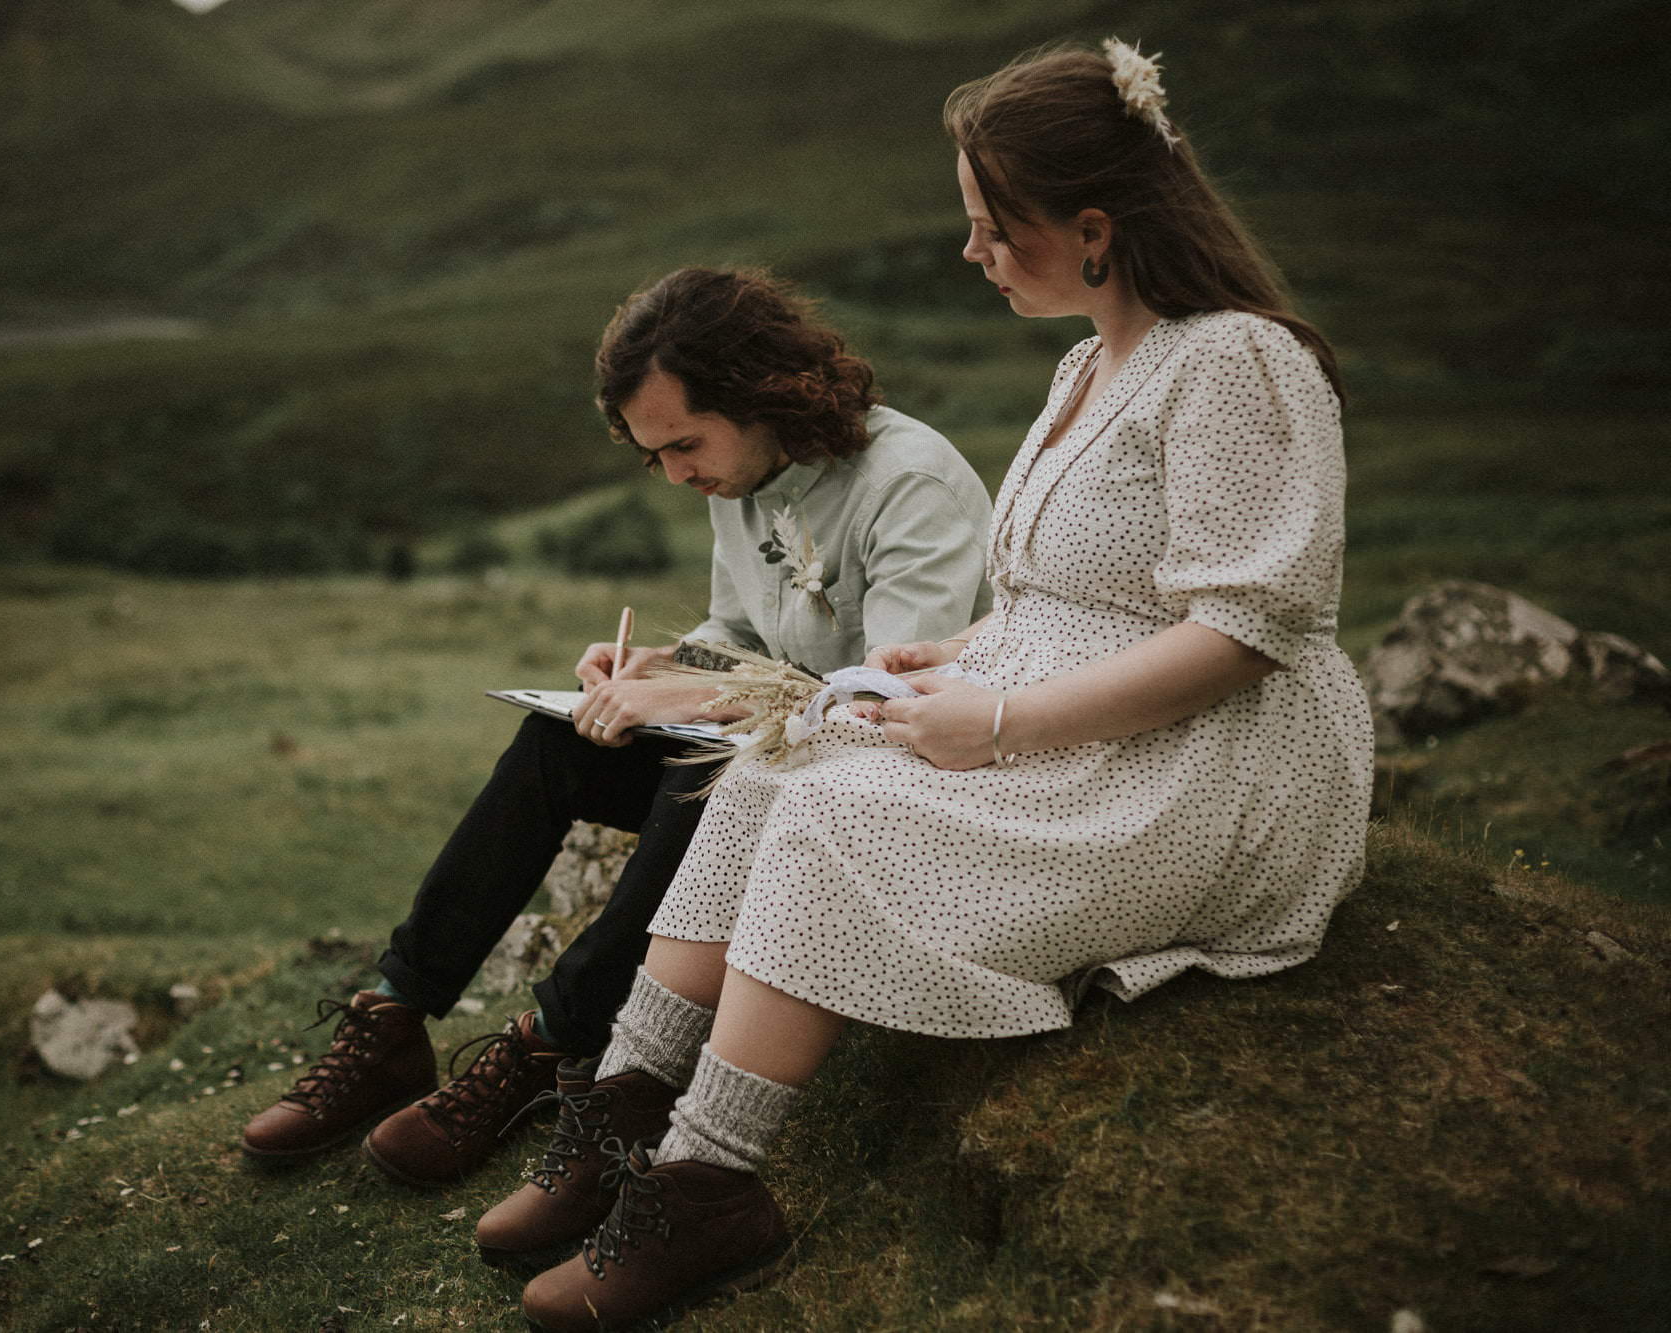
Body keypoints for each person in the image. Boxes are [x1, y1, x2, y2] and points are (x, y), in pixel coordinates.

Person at [491, 42, 1375, 1331]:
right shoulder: (1087, 364)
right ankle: (625, 1105)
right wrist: (961, 654)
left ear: (1092, 228)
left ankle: (709, 1181)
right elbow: (1078, 593)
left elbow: (1241, 633)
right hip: (1086, 712)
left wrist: (1001, 718)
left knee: (837, 812)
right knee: (775, 761)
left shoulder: (1237, 359)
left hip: (1212, 764)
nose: (971, 253)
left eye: (991, 228)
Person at [240, 266, 995, 1188]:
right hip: (784, 752)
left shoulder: (907, 481)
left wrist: (691, 699)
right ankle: (396, 1013)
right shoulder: (742, 475)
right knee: (555, 743)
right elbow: (739, 636)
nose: (676, 474)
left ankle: (549, 1043)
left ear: (763, 394)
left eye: (684, 444)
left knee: (700, 781)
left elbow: (884, 703)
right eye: (653, 456)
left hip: (891, 787)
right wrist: (661, 667)